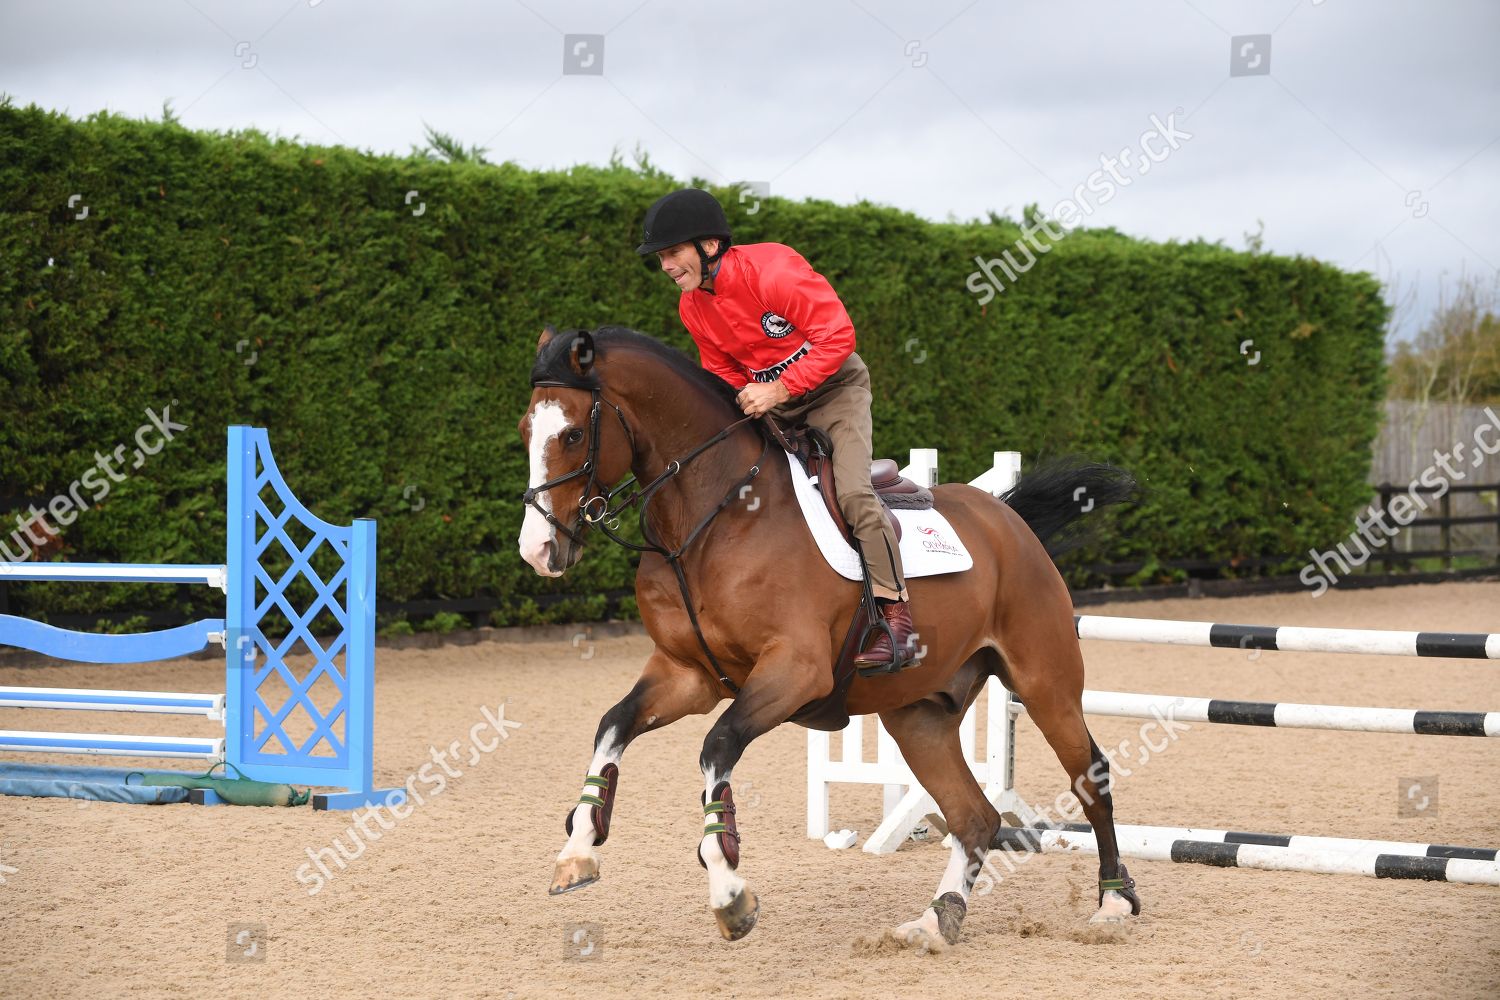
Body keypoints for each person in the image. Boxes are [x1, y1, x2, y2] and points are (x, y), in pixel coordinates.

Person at [635, 188, 915, 670]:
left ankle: (897, 618)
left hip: (834, 390)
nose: (666, 266)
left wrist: (779, 389)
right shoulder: (693, 308)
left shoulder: (775, 271)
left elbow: (839, 336)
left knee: (850, 494)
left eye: (673, 253)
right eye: (661, 257)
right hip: (772, 404)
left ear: (708, 246)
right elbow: (721, 372)